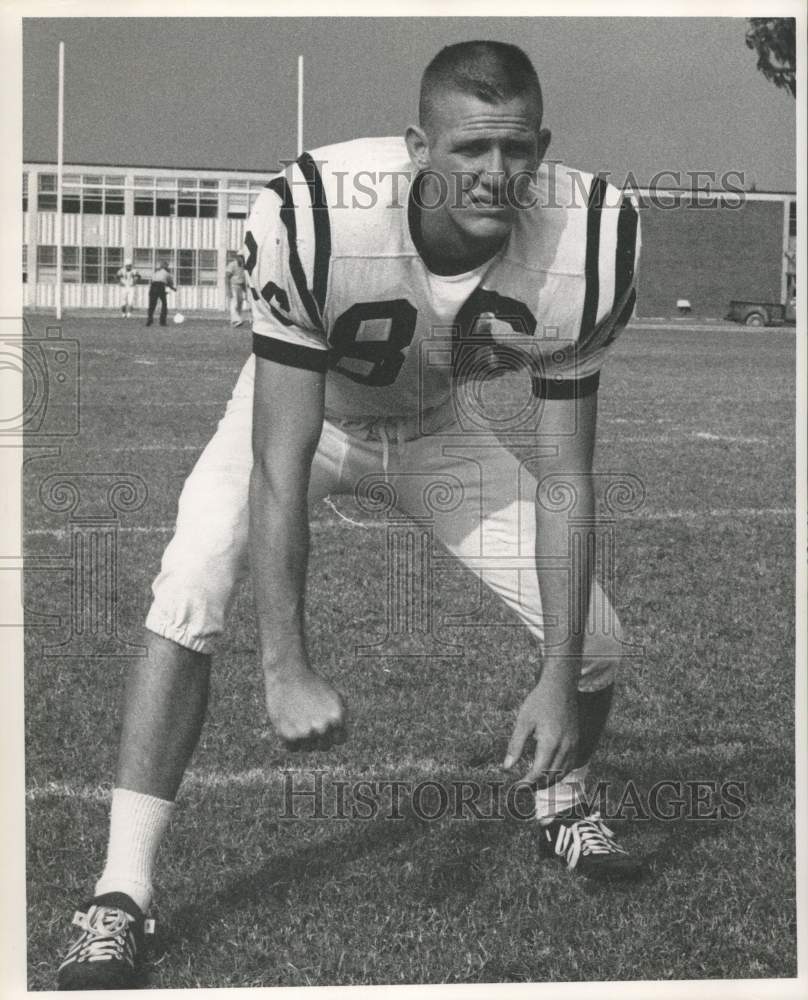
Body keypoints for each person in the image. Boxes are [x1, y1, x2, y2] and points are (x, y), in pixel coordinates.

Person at [56, 41, 642, 991]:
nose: (498, 173)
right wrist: (285, 665)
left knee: (600, 641)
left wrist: (555, 673)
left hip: (439, 428)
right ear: (419, 146)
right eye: (471, 149)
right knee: (190, 588)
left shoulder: (589, 236)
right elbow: (279, 461)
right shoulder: (320, 211)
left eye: (519, 149)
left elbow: (568, 474)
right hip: (312, 420)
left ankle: (562, 802)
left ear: (545, 145)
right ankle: (119, 894)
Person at [145, 260, 176, 327]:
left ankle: (149, 319)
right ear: (166, 267)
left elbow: (152, 281)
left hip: (153, 287)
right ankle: (162, 321)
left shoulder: (156, 272)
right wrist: (173, 289)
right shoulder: (167, 273)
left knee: (152, 305)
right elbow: (169, 283)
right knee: (164, 304)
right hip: (160, 286)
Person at [225, 252, 249, 327]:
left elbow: (243, 280)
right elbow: (227, 277)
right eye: (240, 257)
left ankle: (235, 322)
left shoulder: (243, 267)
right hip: (233, 286)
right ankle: (236, 320)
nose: (242, 259)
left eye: (243, 257)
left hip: (240, 287)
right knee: (234, 303)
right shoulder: (232, 265)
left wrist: (246, 291)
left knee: (239, 304)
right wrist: (228, 290)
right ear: (237, 257)